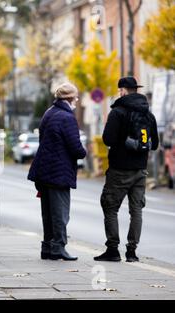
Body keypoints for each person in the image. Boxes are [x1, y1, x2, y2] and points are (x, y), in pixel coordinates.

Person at [94, 76, 159, 263]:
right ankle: (132, 252)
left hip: (119, 170)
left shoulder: (118, 112)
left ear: (122, 90)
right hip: (141, 170)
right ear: (135, 90)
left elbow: (107, 139)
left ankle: (113, 249)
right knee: (136, 210)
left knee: (110, 206)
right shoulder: (149, 114)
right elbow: (154, 145)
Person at [28, 83, 86, 261]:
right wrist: (84, 152)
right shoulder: (67, 117)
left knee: (48, 212)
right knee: (60, 213)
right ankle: (58, 247)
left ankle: (47, 247)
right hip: (59, 172)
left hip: (44, 170)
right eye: (75, 98)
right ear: (69, 99)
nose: (76, 101)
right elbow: (75, 147)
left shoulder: (49, 113)